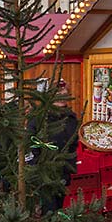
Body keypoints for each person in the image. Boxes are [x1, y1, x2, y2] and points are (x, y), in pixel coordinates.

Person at [28, 81, 79, 214]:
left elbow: (73, 143)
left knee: (59, 203)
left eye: (65, 94)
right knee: (48, 206)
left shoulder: (71, 118)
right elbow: (31, 142)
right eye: (58, 94)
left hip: (63, 168)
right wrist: (38, 164)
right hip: (45, 169)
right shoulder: (40, 118)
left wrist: (70, 162)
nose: (62, 97)